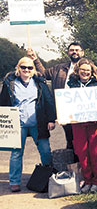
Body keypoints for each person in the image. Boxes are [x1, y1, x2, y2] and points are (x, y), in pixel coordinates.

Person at [0, 57, 56, 192]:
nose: (26, 70)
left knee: (45, 151)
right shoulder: (10, 83)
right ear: (18, 68)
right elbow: (3, 103)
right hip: (17, 123)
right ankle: (14, 181)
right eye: (23, 67)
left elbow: (48, 101)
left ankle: (48, 178)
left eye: (29, 67)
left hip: (38, 122)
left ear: (33, 69)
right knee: (16, 153)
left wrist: (51, 119)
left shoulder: (40, 83)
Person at [27, 42, 85, 150]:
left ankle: (83, 164)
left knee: (82, 139)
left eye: (77, 50)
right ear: (68, 52)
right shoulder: (59, 68)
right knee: (70, 138)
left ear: (82, 52)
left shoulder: (88, 68)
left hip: (82, 109)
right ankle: (72, 164)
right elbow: (44, 74)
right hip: (64, 109)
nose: (74, 52)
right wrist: (35, 59)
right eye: (72, 50)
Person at [67, 58, 97, 193]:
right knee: (81, 151)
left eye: (88, 70)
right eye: (82, 70)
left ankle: (96, 181)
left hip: (95, 123)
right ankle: (87, 180)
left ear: (92, 71)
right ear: (77, 70)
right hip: (78, 123)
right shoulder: (70, 84)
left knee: (95, 152)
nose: (85, 72)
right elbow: (65, 102)